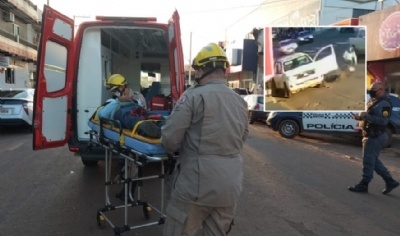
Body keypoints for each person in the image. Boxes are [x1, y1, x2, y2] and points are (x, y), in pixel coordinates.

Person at [161, 42, 249, 236]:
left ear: (201, 69)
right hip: (229, 186)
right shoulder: (240, 102)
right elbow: (241, 139)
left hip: (195, 185)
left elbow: (169, 140)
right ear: (223, 69)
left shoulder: (192, 97)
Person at [349, 82, 399, 194]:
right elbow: (371, 116)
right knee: (373, 161)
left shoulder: (384, 103)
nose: (371, 91)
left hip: (375, 136)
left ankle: (364, 184)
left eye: (373, 89)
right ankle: (390, 181)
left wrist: (365, 116)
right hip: (370, 134)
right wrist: (360, 118)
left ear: (381, 89)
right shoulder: (375, 101)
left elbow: (383, 121)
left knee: (368, 161)